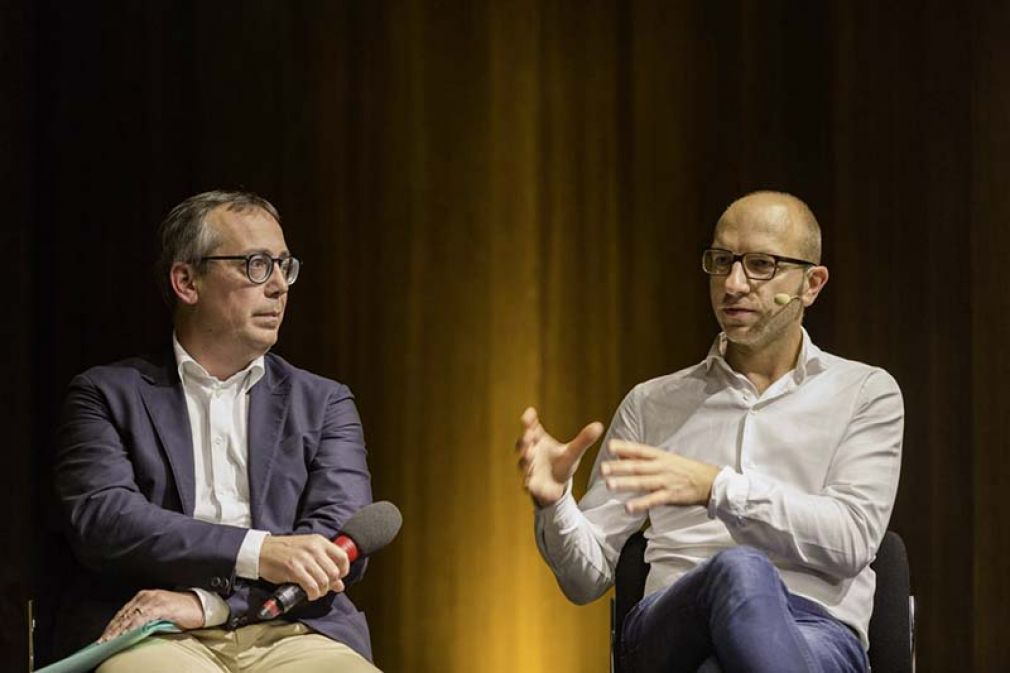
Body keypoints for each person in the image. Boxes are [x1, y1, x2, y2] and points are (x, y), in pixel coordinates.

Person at [516, 191, 903, 673]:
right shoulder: (652, 404)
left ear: (812, 284)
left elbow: (851, 541)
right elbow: (585, 580)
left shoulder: (864, 392)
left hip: (813, 634)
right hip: (675, 625)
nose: (734, 283)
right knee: (738, 570)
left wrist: (716, 487)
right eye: (721, 262)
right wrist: (555, 506)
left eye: (761, 264)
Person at [52, 191, 381, 672]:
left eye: (284, 266)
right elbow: (107, 524)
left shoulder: (325, 403)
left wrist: (214, 606)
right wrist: (259, 551)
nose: (277, 286)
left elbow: (338, 548)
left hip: (294, 630)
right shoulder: (105, 395)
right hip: (152, 631)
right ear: (187, 281)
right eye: (255, 264)